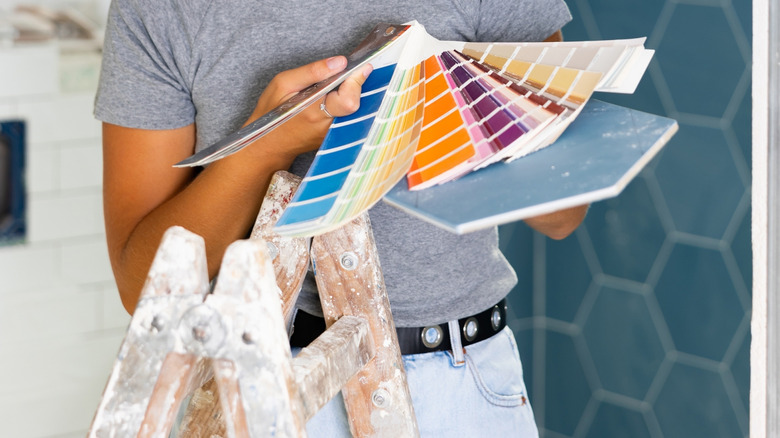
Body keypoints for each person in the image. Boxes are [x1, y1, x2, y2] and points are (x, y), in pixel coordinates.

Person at [95, 0, 588, 436]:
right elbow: (142, 286)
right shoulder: (159, 10)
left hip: (456, 386)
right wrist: (266, 147)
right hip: (258, 391)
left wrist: (467, 116)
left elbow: (564, 214)